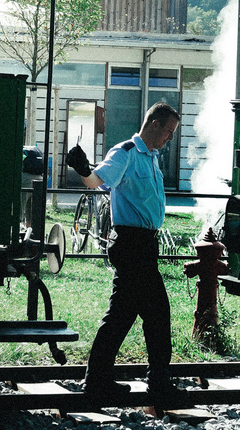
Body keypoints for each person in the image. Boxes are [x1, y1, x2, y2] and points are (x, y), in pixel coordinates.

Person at [64, 102, 184, 404]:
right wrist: (83, 169)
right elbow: (98, 182)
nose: (169, 138)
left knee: (123, 315)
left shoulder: (151, 158)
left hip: (144, 245)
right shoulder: (126, 152)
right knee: (155, 314)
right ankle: (155, 383)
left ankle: (99, 381)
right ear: (154, 124)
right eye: (168, 132)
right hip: (132, 245)